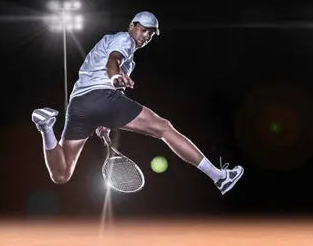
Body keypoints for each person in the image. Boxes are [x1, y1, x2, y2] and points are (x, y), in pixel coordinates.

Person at [31, 11, 244, 195]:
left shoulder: (126, 56)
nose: (147, 36)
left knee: (61, 174)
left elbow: (115, 79)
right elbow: (113, 60)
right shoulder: (124, 40)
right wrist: (114, 77)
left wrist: (104, 122)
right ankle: (219, 177)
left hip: (78, 106)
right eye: (144, 30)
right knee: (164, 128)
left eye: (151, 34)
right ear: (132, 26)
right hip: (101, 96)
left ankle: (46, 128)